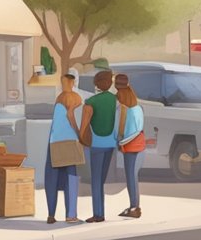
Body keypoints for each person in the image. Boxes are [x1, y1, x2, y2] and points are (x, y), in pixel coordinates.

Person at [79, 69, 118, 223]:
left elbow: (84, 125)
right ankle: (100, 212)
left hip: (96, 144)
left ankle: (98, 214)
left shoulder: (91, 102)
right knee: (101, 179)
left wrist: (81, 139)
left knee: (95, 180)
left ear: (97, 84)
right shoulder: (115, 100)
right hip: (110, 144)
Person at [45, 68, 83, 224]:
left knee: (51, 179)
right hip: (70, 141)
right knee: (71, 179)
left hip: (54, 141)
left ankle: (51, 214)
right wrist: (79, 133)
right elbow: (71, 116)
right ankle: (71, 215)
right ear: (73, 83)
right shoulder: (75, 97)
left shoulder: (59, 97)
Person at [114, 73, 145, 219]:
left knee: (131, 177)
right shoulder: (138, 107)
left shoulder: (125, 110)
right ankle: (134, 205)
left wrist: (119, 142)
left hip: (130, 147)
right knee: (133, 176)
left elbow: (124, 132)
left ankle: (134, 207)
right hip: (139, 145)